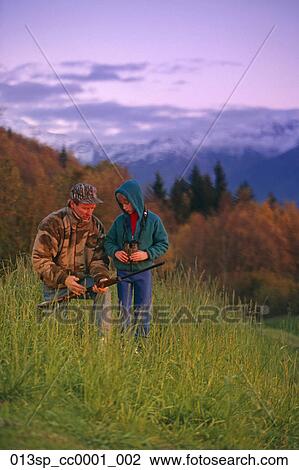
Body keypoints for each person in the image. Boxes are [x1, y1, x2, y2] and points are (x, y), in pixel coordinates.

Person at [32, 182, 110, 330]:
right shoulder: (52, 223)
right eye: (85, 208)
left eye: (92, 208)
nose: (89, 213)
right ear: (73, 204)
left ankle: (103, 344)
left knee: (104, 291)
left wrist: (101, 278)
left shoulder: (96, 226)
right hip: (56, 283)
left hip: (83, 281)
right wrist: (65, 279)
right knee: (55, 331)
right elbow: (40, 260)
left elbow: (98, 259)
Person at [104, 179, 168, 338]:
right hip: (123, 273)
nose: (124, 207)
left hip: (144, 271)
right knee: (123, 309)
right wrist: (116, 252)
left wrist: (147, 254)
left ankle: (140, 346)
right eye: (122, 203)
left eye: (127, 203)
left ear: (136, 199)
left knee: (143, 310)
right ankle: (123, 344)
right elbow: (108, 241)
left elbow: (163, 243)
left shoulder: (153, 220)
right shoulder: (119, 221)